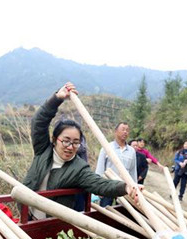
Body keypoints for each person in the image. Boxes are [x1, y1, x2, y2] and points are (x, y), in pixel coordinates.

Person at [22, 82, 137, 220]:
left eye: (76, 142)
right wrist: (57, 98)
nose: (70, 147)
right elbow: (38, 122)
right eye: (66, 140)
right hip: (26, 214)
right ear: (54, 139)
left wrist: (126, 188)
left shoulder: (79, 168)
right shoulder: (43, 150)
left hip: (51, 223)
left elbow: (100, 184)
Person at [95, 122, 137, 207]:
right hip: (108, 186)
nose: (125, 132)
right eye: (123, 129)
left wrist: (134, 188)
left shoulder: (131, 151)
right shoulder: (107, 147)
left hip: (125, 188)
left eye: (127, 130)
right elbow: (100, 168)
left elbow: (133, 171)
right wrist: (98, 187)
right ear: (116, 131)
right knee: (105, 210)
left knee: (123, 212)